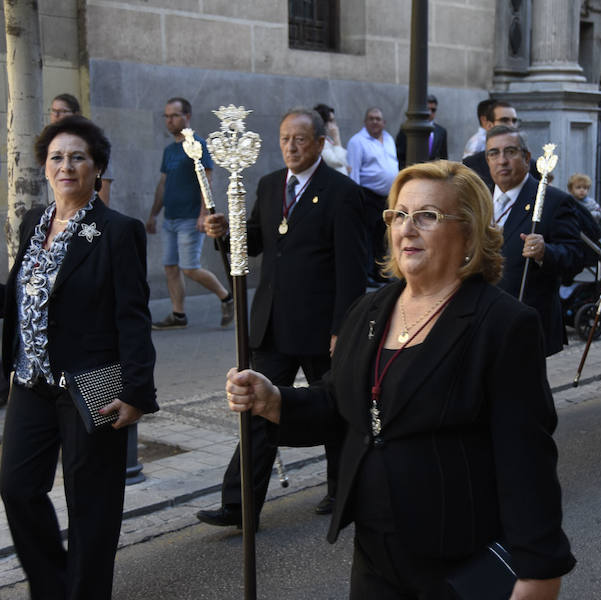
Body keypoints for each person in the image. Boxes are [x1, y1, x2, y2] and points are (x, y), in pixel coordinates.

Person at [224, 160, 576, 598]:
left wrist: (537, 570)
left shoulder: (502, 325)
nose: (407, 229)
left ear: (468, 233)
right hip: (375, 555)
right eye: (399, 215)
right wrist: (275, 400)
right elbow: (341, 404)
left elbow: (526, 458)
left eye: (427, 216)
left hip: (459, 560)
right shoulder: (369, 310)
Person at [0, 116, 158, 599]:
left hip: (93, 383)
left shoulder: (116, 231)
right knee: (18, 488)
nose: (66, 166)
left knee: (92, 506)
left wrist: (135, 392)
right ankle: (52, 588)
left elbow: (132, 316)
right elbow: (20, 296)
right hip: (31, 381)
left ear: (96, 168)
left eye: (77, 157)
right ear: (45, 167)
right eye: (56, 157)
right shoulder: (34, 221)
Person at [198, 107, 367, 526]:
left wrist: (342, 327)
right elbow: (254, 243)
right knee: (256, 406)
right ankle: (239, 504)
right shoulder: (272, 185)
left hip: (321, 326)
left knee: (336, 409)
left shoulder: (341, 192)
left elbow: (352, 266)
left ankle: (342, 490)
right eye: (285, 139)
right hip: (273, 322)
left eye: (301, 139)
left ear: (320, 144)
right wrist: (227, 230)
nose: (291, 147)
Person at [486, 125, 582, 356]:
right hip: (484, 317)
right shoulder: (478, 199)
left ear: (526, 157)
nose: (502, 161)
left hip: (526, 319)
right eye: (494, 153)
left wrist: (544, 252)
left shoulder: (553, 201)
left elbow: (574, 256)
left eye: (510, 152)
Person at [146, 97, 233, 329]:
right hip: (170, 219)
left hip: (190, 218)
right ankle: (178, 315)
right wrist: (154, 214)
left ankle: (227, 297)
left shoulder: (198, 145)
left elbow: (207, 179)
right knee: (170, 267)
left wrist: (203, 214)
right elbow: (163, 183)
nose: (169, 120)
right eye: (166, 116)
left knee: (189, 267)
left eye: (174, 115)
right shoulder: (169, 151)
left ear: (187, 116)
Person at [347, 106, 399, 285]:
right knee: (367, 237)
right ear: (365, 121)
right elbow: (353, 172)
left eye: (378, 119)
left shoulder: (389, 139)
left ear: (384, 123)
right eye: (371, 118)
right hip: (367, 196)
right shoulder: (357, 141)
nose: (375, 121)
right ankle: (367, 274)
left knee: (382, 237)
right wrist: (356, 200)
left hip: (387, 197)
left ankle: (380, 272)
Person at [48, 93, 113, 204]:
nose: (56, 115)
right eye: (54, 111)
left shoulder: (90, 140)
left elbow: (103, 184)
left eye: (62, 111)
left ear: (76, 114)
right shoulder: (48, 143)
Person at [395, 94, 449, 167]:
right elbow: (399, 154)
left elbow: (443, 157)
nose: (430, 113)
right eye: (427, 109)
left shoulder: (441, 131)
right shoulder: (408, 128)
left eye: (433, 110)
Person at [313, 103, 351, 176]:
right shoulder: (319, 143)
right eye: (331, 121)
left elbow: (344, 160)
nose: (334, 124)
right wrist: (336, 138)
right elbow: (338, 162)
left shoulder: (328, 140)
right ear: (322, 123)